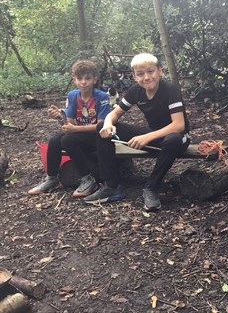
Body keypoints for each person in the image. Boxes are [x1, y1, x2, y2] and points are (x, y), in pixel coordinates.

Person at [84, 53, 190, 211]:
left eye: (150, 71)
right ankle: (111, 185)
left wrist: (147, 137)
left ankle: (151, 188)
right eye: (140, 74)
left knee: (173, 139)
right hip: (154, 134)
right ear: (134, 76)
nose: (146, 77)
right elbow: (114, 114)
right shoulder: (136, 91)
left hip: (177, 137)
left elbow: (179, 125)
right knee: (101, 128)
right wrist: (107, 124)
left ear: (160, 71)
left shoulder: (170, 89)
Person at [29, 60, 110, 197]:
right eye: (79, 79)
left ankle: (88, 180)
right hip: (77, 135)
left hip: (98, 137)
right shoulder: (73, 96)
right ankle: (52, 179)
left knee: (68, 140)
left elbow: (101, 126)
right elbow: (68, 123)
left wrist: (74, 129)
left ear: (95, 80)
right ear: (74, 80)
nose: (83, 82)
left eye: (88, 78)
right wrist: (59, 117)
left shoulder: (101, 97)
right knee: (54, 140)